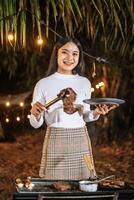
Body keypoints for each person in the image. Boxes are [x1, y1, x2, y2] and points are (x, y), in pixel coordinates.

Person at [29, 37, 117, 180]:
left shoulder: (84, 82)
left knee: (83, 183)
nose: (70, 58)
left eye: (75, 54)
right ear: (56, 54)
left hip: (80, 138)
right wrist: (35, 114)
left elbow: (85, 116)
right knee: (54, 183)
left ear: (79, 57)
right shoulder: (43, 84)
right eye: (65, 52)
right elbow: (35, 124)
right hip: (56, 138)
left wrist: (96, 112)